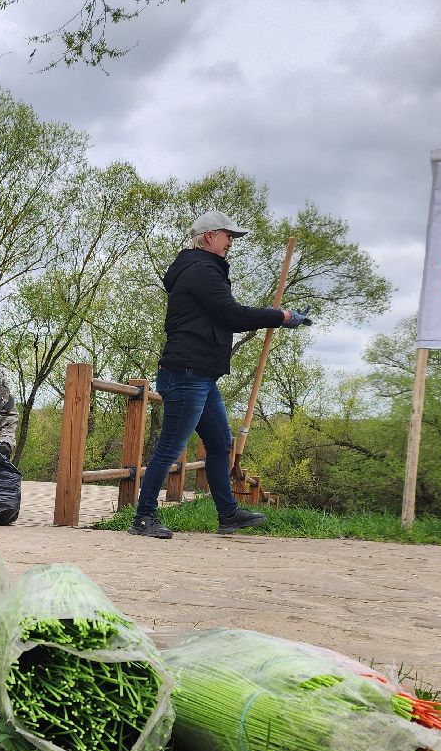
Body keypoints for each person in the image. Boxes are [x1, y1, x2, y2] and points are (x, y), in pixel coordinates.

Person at [129, 211, 308, 538]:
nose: (230, 244)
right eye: (228, 236)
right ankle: (144, 517)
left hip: (200, 374)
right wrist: (280, 316)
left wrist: (277, 317)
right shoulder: (201, 270)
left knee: (219, 442)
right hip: (186, 373)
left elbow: (224, 316)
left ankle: (227, 515)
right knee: (170, 447)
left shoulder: (203, 269)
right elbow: (232, 315)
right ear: (210, 236)